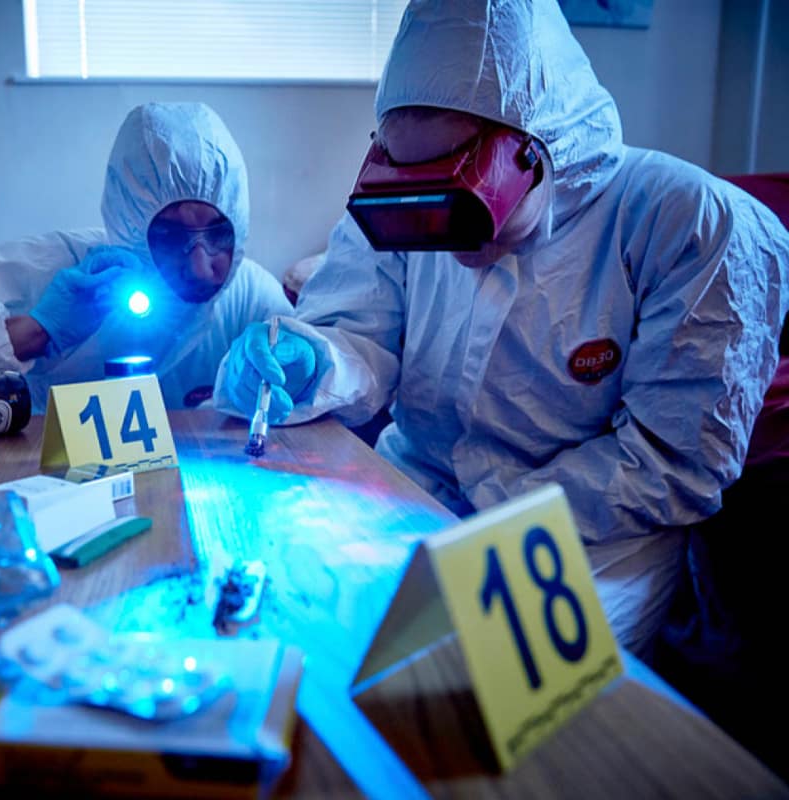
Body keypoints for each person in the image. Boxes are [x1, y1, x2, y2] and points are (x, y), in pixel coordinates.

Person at [214, 0, 789, 658]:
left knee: (458, 677)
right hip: (420, 489)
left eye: (459, 201)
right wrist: (316, 357)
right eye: (416, 195)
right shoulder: (406, 196)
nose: (443, 239)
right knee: (291, 624)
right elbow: (358, 328)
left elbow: (668, 463)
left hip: (589, 536)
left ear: (536, 152)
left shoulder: (690, 225)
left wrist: (487, 513)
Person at [0, 101, 292, 413]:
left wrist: (287, 378)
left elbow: (314, 369)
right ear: (130, 225)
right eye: (171, 237)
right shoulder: (66, 271)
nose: (200, 268)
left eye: (218, 235)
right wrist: (36, 330)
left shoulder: (248, 295)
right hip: (43, 445)